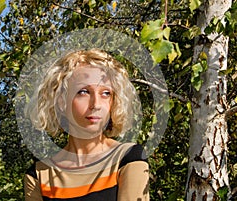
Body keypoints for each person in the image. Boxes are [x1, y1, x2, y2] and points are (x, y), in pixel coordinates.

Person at [24, 48, 149, 201]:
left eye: (105, 93)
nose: (96, 104)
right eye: (83, 92)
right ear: (62, 100)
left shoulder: (128, 158)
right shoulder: (40, 174)